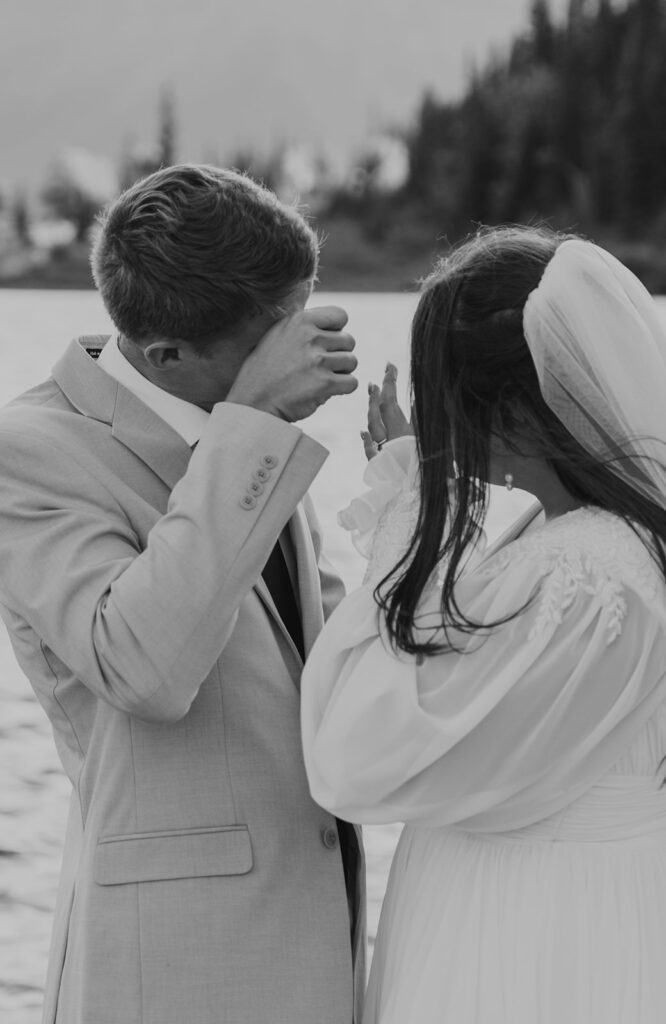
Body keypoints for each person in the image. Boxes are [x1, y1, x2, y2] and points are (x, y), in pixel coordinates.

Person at [0, 164, 365, 1024]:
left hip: (313, 937)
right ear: (167, 354)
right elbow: (143, 667)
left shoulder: (243, 430)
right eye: (275, 335)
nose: (302, 353)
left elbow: (325, 657)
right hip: (174, 966)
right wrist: (253, 425)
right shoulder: (31, 450)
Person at [301, 225, 666, 1023]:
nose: (433, 426)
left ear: (511, 412)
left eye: (441, 400)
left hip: (532, 922)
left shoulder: (587, 571)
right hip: (583, 898)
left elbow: (368, 756)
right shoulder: (589, 541)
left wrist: (408, 507)